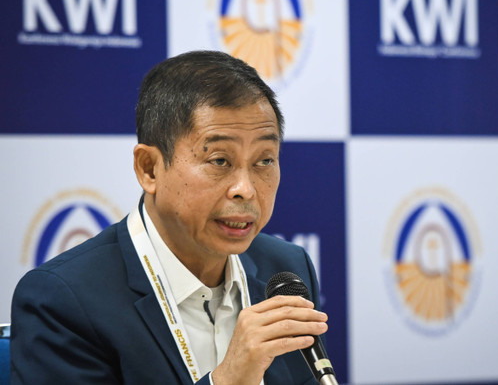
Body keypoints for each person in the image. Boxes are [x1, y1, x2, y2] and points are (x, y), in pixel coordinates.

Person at [10, 51, 328, 384]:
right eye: (220, 160)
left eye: (264, 160)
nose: (245, 189)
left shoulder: (285, 268)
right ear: (149, 168)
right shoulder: (64, 300)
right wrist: (227, 380)